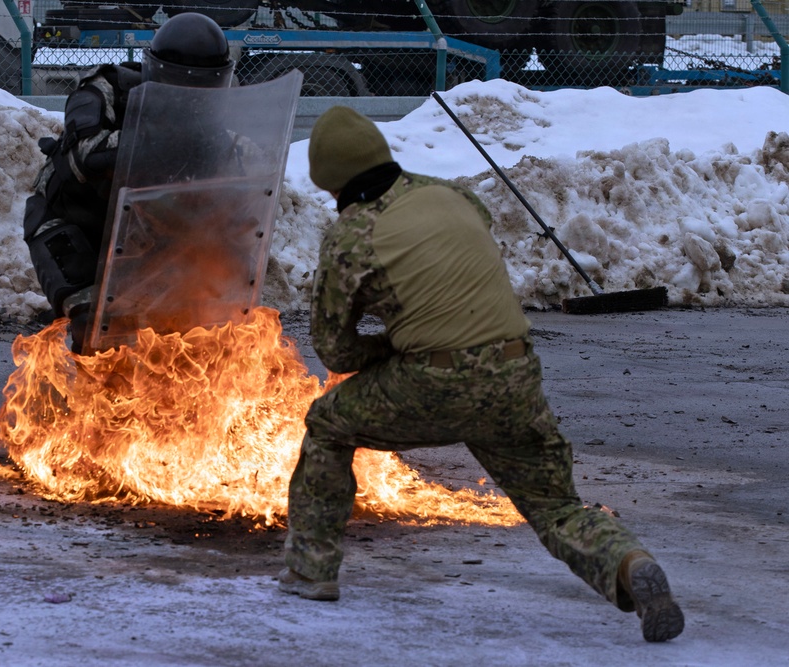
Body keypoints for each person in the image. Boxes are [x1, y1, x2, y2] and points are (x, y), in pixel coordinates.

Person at [278, 106, 685, 643]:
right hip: (515, 370)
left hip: (434, 381)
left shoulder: (349, 236)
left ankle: (311, 571)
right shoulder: (452, 195)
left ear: (330, 183)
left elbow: (337, 351)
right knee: (554, 505)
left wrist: (392, 344)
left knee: (328, 422)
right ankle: (630, 564)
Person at [22, 13, 236, 353]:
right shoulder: (105, 90)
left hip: (137, 233)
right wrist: (165, 140)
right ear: (157, 71)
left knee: (193, 325)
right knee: (98, 326)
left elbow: (230, 197)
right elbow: (84, 157)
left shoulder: (208, 128)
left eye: (202, 88)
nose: (192, 98)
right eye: (183, 84)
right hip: (72, 224)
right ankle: (90, 398)